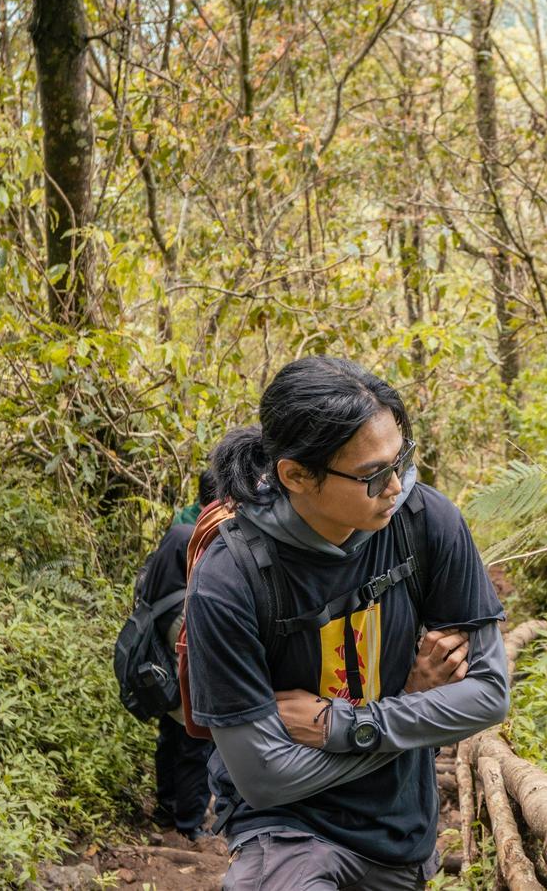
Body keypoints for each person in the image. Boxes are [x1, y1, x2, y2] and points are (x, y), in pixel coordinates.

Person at [184, 357, 509, 889]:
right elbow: (265, 778)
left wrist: (345, 724)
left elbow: (490, 694)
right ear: (295, 474)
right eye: (371, 475)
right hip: (285, 828)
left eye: (401, 459)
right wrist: (417, 714)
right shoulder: (230, 579)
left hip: (399, 825)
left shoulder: (425, 520)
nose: (395, 485)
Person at [133, 469, 219, 840]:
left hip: (159, 626)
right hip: (181, 630)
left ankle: (168, 809)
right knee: (194, 737)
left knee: (171, 729)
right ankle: (190, 823)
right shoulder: (205, 531)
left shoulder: (180, 525)